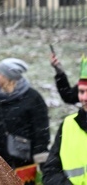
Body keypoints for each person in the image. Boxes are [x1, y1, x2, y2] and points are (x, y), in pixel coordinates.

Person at [0, 58, 50, 171]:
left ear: (9, 77)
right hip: (0, 161)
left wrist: (40, 157)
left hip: (26, 162)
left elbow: (41, 131)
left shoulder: (33, 98)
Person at [41, 56, 87, 185]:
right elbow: (50, 173)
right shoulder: (68, 125)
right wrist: (59, 73)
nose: (84, 98)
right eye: (82, 92)